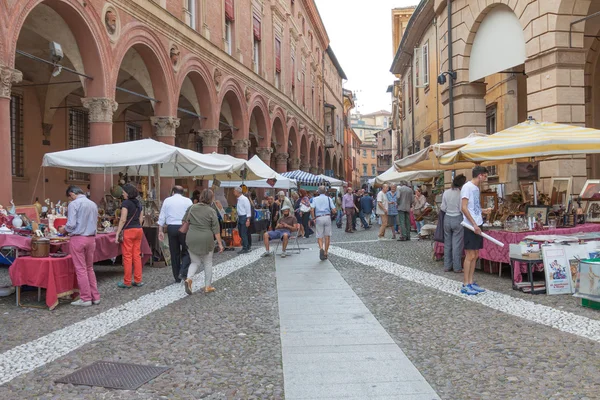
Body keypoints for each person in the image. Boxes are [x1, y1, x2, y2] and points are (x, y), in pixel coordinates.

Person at [59, 185, 100, 306]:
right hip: (91, 238)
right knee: (89, 268)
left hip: (78, 238)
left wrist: (63, 229)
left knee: (81, 269)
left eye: (70, 197)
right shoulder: (93, 204)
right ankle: (95, 296)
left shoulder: (74, 204)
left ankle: (86, 298)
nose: (70, 200)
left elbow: (71, 224)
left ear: (72, 194)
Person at [183, 189, 224, 295]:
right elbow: (216, 230)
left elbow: (184, 221)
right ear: (211, 198)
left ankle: (188, 279)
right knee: (207, 262)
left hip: (191, 237)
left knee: (194, 262)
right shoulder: (211, 211)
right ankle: (207, 286)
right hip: (206, 238)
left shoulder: (192, 207)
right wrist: (220, 244)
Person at [461, 166, 490, 295]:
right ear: (480, 175)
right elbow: (464, 208)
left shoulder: (476, 188)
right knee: (470, 255)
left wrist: (483, 211)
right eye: (485, 176)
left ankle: (471, 282)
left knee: (476, 255)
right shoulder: (467, 187)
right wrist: (473, 224)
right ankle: (466, 283)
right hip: (470, 226)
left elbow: (474, 207)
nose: (486, 178)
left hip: (477, 223)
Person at [157, 186, 193, 283]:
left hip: (171, 227)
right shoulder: (188, 201)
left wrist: (160, 230)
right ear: (182, 193)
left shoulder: (167, 201)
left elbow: (162, 216)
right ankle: (183, 271)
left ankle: (177, 276)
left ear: (173, 192)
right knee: (187, 251)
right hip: (184, 227)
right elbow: (191, 215)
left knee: (174, 252)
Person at [115, 184, 144, 288]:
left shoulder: (126, 203)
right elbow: (141, 219)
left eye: (123, 191)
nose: (122, 193)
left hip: (129, 230)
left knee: (127, 257)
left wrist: (118, 233)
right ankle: (138, 280)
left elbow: (123, 219)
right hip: (138, 229)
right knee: (137, 255)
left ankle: (127, 282)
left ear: (127, 192)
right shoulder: (139, 203)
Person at [441, 174, 467, 273]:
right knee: (457, 244)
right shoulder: (461, 194)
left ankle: (447, 266)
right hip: (457, 218)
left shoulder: (446, 192)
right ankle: (457, 267)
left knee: (447, 244)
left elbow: (443, 207)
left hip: (447, 218)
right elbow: (462, 209)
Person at [311, 185, 337, 260]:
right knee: (327, 236)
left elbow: (312, 209)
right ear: (325, 191)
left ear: (318, 192)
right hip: (327, 217)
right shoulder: (329, 199)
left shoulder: (315, 199)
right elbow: (334, 210)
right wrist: (335, 212)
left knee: (319, 235)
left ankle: (321, 248)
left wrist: (313, 218)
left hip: (319, 217)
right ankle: (326, 252)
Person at [234, 187, 252, 254]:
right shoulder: (239, 199)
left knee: (243, 233)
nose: (234, 192)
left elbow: (248, 209)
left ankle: (245, 247)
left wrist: (248, 219)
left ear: (238, 192)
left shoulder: (244, 199)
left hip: (244, 217)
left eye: (234, 191)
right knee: (241, 233)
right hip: (240, 217)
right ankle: (246, 246)